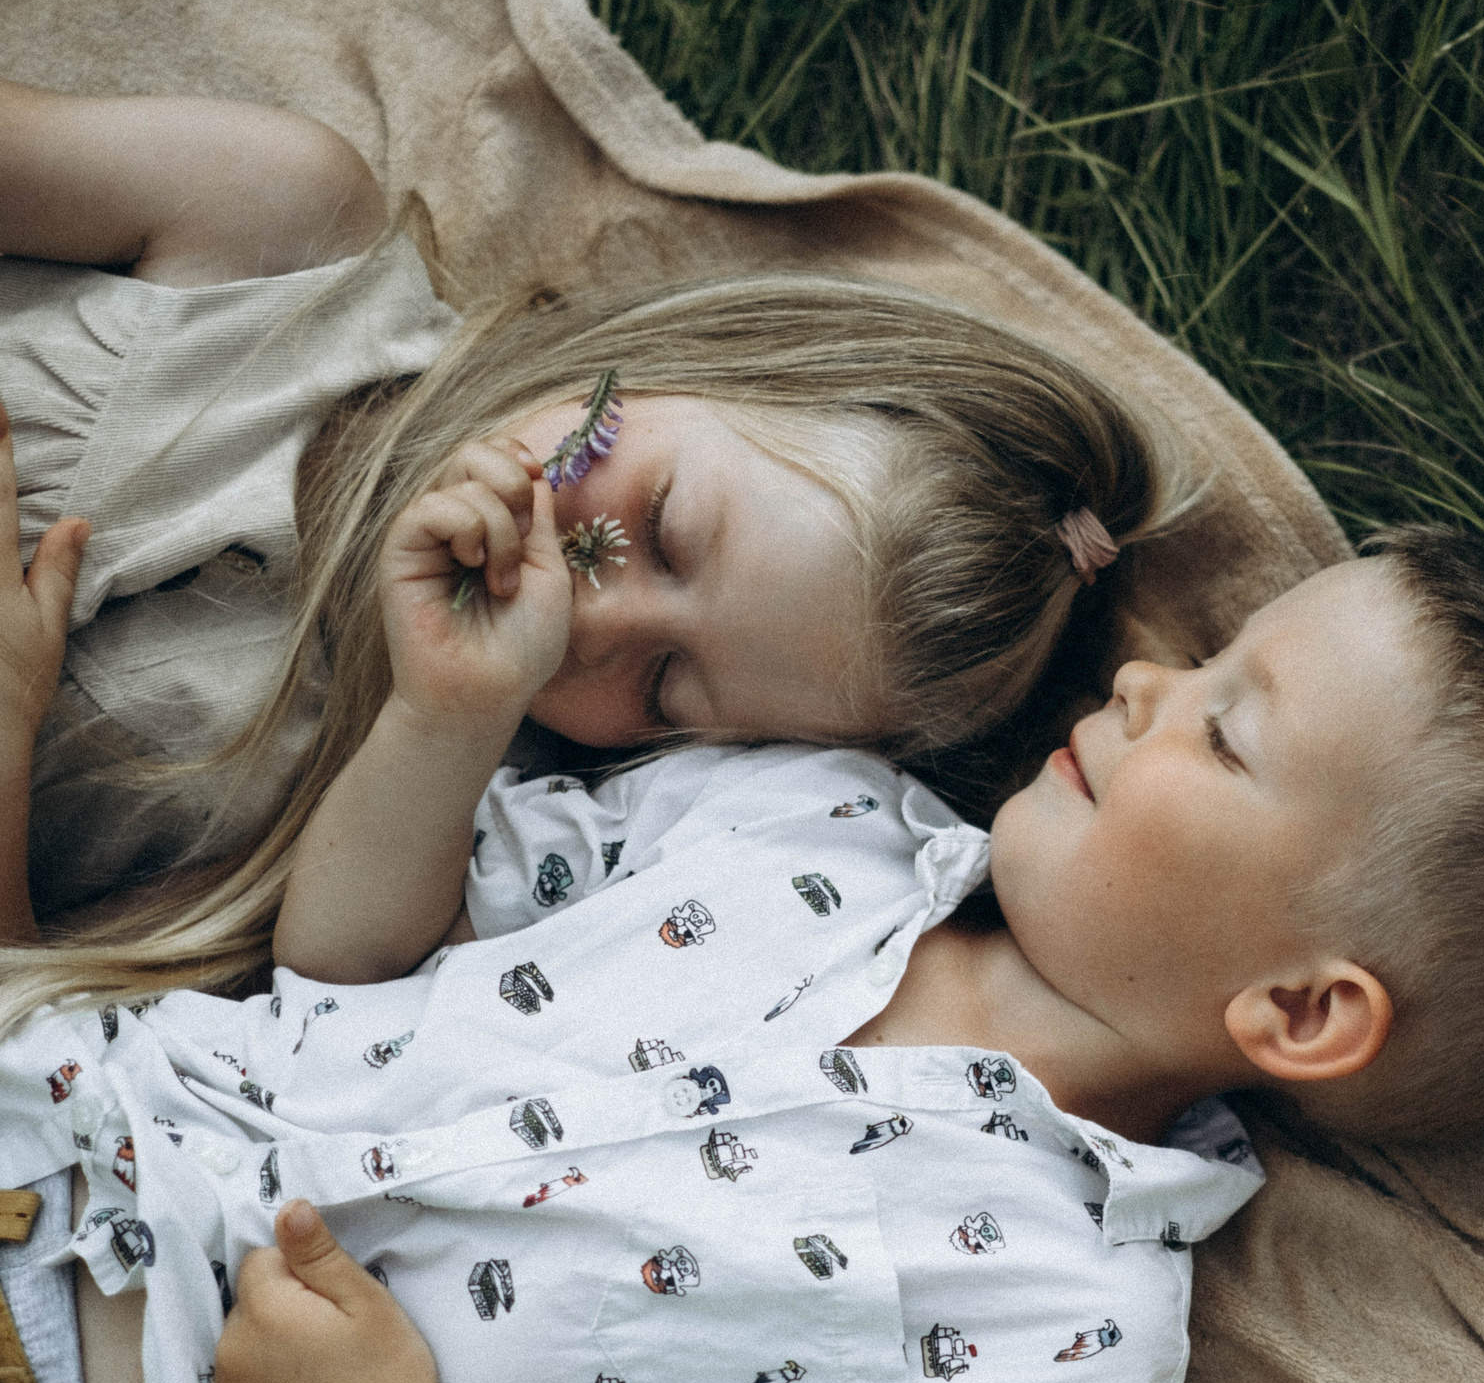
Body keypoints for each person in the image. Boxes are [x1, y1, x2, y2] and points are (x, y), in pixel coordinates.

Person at [0, 526, 1484, 1383]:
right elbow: (345, 959)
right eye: (1196, 655)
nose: (1142, 675)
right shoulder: (805, 814)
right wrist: (443, 719)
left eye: (1225, 721)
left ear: (1299, 1011)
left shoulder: (1055, 1361)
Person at [0, 78, 1180, 955]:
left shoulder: (365, 832)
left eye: (666, 686)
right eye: (661, 525)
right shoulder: (270, 226)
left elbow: (37, 1045)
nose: (587, 608)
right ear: (693, 354)